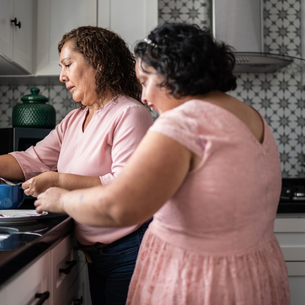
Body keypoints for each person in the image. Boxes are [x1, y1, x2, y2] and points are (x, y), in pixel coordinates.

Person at [34, 23, 290, 305]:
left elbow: (121, 207)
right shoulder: (251, 115)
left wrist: (61, 200)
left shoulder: (183, 122)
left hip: (196, 278)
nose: (143, 97)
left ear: (172, 72)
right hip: (255, 274)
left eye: (145, 81)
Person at [0, 26, 153, 305]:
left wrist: (56, 180)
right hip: (95, 255)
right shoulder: (73, 120)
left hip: (130, 252)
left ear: (99, 63)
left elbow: (124, 184)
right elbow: (30, 160)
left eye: (68, 65)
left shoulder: (129, 113)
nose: (62, 76)